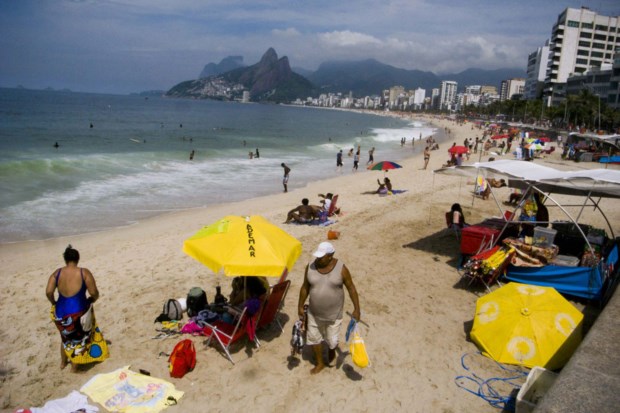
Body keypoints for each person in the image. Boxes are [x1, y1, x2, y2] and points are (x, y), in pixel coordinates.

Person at [297, 242, 361, 374]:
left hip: (334, 315)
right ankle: (320, 363)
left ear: (330, 256)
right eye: (317, 256)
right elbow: (305, 287)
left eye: (321, 257)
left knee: (332, 341)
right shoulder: (310, 267)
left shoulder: (341, 269)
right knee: (314, 339)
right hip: (314, 313)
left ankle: (331, 350)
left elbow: (351, 288)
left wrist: (357, 309)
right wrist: (300, 305)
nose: (318, 259)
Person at [46, 245, 108, 371]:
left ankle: (63, 363)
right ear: (78, 259)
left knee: (65, 337)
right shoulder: (84, 273)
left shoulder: (57, 273)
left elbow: (48, 292)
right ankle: (74, 367)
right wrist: (92, 300)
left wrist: (53, 302)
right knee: (79, 338)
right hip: (78, 311)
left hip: (60, 312)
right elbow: (94, 292)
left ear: (65, 259)